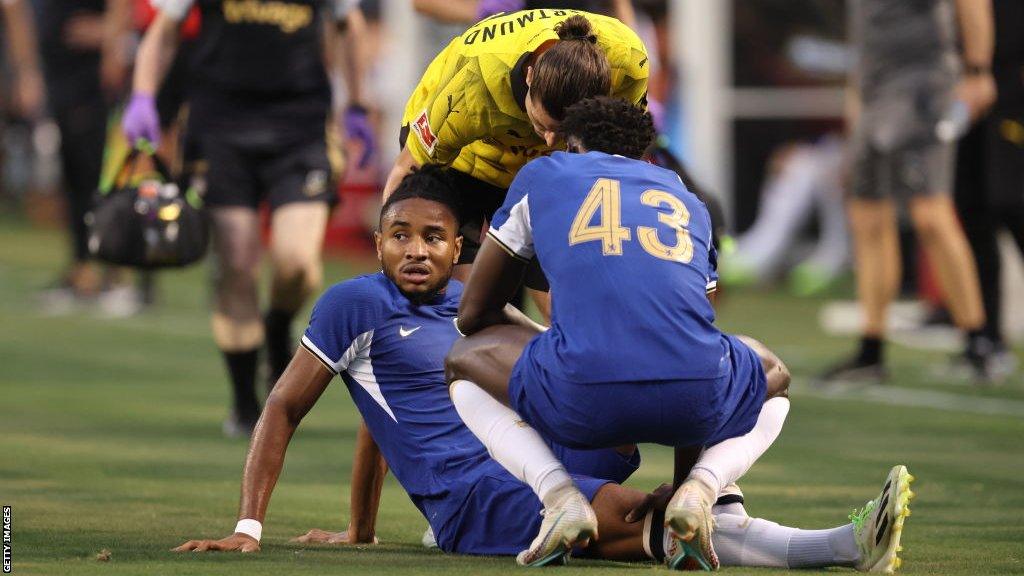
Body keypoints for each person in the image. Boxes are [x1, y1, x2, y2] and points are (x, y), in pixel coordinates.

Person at [171, 166, 915, 574]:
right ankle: (834, 549)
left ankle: (691, 495)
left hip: (546, 451)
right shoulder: (352, 305)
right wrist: (247, 527)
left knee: (695, 407)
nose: (417, 250)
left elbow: (383, 416)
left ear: (462, 250)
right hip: (474, 492)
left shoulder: (474, 303)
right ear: (376, 243)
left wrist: (361, 530)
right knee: (629, 518)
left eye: (434, 237)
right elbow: (283, 410)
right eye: (400, 236)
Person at [445, 96, 792, 569]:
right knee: (772, 373)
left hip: (583, 400)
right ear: (647, 153)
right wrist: (685, 475)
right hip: (693, 401)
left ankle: (560, 498)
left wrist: (545, 333)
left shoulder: (545, 175)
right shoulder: (686, 196)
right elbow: (695, 332)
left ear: (570, 146)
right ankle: (701, 488)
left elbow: (473, 314)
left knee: (462, 358)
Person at [123, 0, 373, 436]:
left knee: (297, 263)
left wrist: (356, 103)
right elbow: (164, 30)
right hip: (219, 127)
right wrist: (143, 96)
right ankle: (244, 403)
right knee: (237, 263)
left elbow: (350, 25)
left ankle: (276, 326)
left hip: (301, 127)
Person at [386, 10, 648, 320]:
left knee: (563, 305)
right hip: (464, 158)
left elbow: (622, 167)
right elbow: (406, 171)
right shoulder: (472, 87)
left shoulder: (627, 64)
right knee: (461, 308)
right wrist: (388, 248)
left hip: (537, 168)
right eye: (543, 124)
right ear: (529, 77)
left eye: (562, 131)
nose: (550, 139)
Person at [817, 0, 999, 385]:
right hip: (874, 88)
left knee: (930, 213)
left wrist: (978, 70)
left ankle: (978, 342)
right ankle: (871, 349)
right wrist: (858, 92)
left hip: (923, 85)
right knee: (867, 216)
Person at [953, 0, 1023, 380]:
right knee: (974, 212)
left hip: (1010, 88)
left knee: (1013, 205)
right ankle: (987, 338)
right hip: (967, 94)